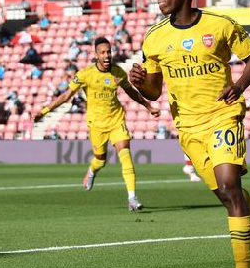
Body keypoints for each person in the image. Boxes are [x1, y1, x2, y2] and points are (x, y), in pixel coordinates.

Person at [129, 0, 250, 268]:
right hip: (188, 127)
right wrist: (141, 83)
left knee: (229, 185)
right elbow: (154, 92)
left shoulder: (220, 25)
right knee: (229, 197)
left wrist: (238, 86)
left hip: (223, 116)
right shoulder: (153, 37)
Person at [34, 36, 160, 211]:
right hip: (97, 125)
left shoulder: (118, 73)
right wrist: (44, 111)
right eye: (103, 52)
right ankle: (92, 171)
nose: (107, 55)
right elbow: (66, 96)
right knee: (100, 161)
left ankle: (132, 197)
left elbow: (131, 92)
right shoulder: (85, 74)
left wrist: (148, 106)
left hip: (116, 120)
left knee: (126, 156)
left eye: (109, 52)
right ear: (96, 55)